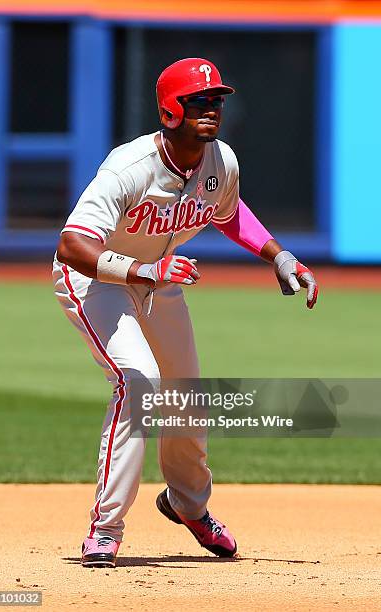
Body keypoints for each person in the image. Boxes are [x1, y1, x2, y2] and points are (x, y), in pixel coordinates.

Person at [53, 57, 318, 568]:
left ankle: (187, 506)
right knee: (139, 381)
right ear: (171, 109)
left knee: (185, 396)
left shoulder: (221, 161)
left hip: (159, 278)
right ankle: (105, 529)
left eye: (217, 101)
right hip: (98, 279)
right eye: (200, 101)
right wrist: (146, 271)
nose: (212, 110)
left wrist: (279, 256)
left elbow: (229, 210)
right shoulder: (130, 168)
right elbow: (71, 246)